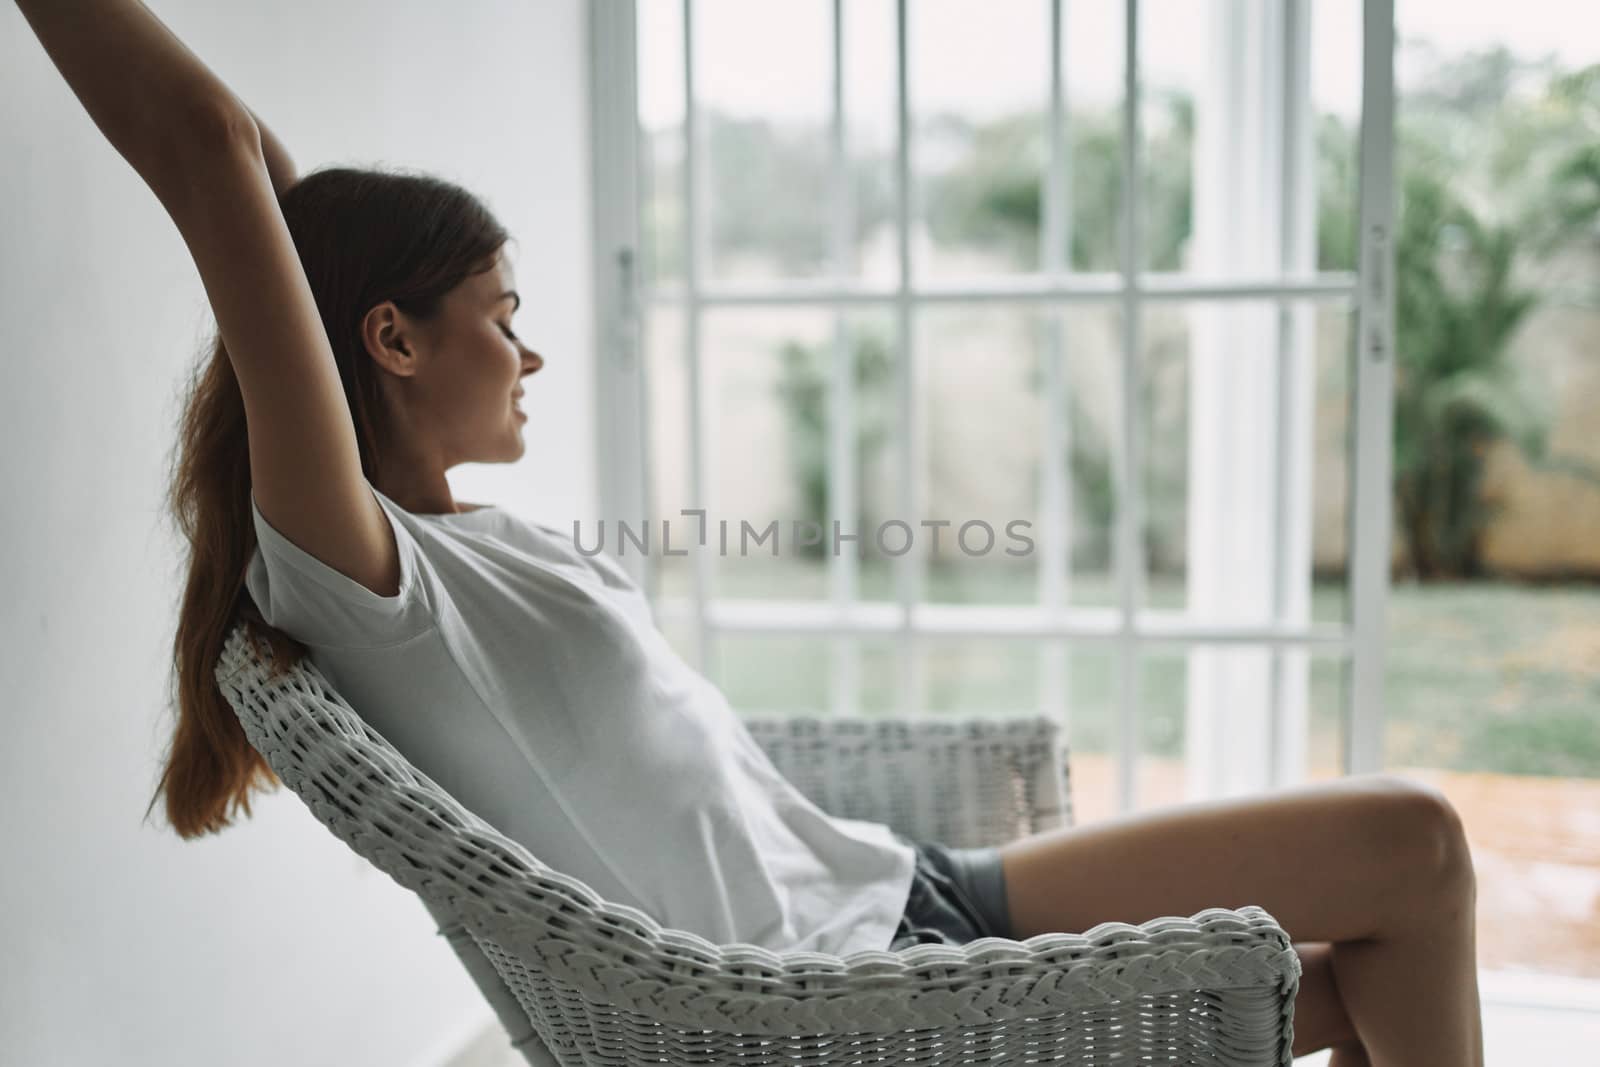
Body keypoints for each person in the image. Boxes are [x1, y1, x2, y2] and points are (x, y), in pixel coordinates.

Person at [15, 2, 1484, 1063]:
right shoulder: (368, 581)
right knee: (1408, 874)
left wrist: (307, 217)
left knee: (1404, 891)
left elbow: (286, 200)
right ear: (392, 340)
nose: (531, 355)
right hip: (850, 989)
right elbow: (213, 155)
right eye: (504, 318)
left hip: (907, 887)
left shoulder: (453, 533)